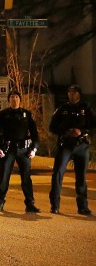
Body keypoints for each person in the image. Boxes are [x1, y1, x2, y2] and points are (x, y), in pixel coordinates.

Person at [0, 90, 40, 213]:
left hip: (24, 150)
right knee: (4, 176)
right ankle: (0, 202)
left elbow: (34, 133)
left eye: (17, 97)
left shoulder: (26, 114)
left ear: (20, 99)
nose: (14, 99)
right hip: (8, 149)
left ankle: (30, 203)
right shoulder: (3, 114)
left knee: (26, 177)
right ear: (9, 100)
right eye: (12, 97)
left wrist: (34, 148)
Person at [49, 84, 94, 215]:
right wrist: (65, 131)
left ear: (79, 94)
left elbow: (93, 124)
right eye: (69, 92)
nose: (71, 94)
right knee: (58, 174)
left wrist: (82, 131)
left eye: (74, 92)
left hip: (81, 145)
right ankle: (55, 205)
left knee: (81, 177)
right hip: (66, 145)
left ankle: (83, 207)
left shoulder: (86, 108)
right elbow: (52, 127)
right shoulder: (62, 109)